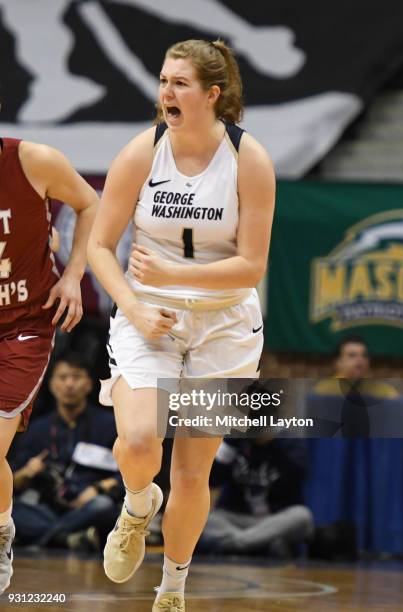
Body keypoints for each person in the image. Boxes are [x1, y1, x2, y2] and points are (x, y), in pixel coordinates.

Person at [87, 38, 275, 612]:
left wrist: (173, 270)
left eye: (179, 83)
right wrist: (137, 305)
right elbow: (98, 246)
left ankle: (173, 588)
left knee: (193, 473)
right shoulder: (142, 152)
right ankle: (138, 503)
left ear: (212, 95)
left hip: (223, 326)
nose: (165, 91)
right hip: (150, 316)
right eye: (163, 80)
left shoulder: (250, 160)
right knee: (140, 443)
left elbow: (252, 266)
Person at [0, 137, 98, 594]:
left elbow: (89, 204)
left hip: (25, 325)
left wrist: (74, 274)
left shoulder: (32, 160)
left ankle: (1, 537)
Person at [10, 352, 122, 550]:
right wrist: (26, 472)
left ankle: (49, 539)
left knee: (103, 506)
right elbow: (12, 483)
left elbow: (127, 476)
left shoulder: (110, 425)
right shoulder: (37, 429)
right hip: (48, 507)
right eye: (62, 377)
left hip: (90, 505)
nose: (69, 384)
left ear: (89, 384)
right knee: (10, 511)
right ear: (51, 384)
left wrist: (98, 488)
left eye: (76, 377)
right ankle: (69, 537)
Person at [200, 437, 314, 557]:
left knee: (302, 516)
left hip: (274, 520)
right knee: (203, 517)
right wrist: (231, 441)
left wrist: (272, 441)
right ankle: (261, 544)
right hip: (236, 518)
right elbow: (213, 480)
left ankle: (236, 544)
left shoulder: (290, 440)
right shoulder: (234, 441)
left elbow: (298, 477)